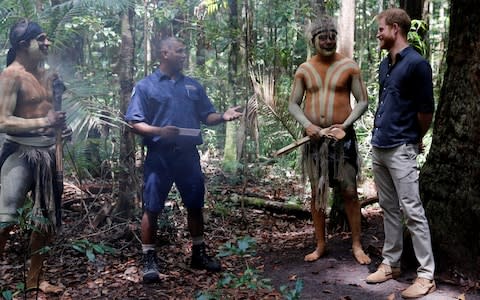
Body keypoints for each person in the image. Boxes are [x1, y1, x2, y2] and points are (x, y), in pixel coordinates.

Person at [125, 37, 242, 283]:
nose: (183, 54)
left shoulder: (193, 86)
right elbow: (134, 123)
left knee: (195, 204)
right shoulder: (146, 86)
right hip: (159, 157)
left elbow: (206, 115)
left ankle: (198, 254)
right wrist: (159, 132)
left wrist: (223, 116)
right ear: (164, 53)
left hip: (188, 156)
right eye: (179, 51)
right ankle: (149, 261)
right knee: (152, 207)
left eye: (184, 50)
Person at [288, 15, 371, 265]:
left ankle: (356, 244)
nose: (328, 41)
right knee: (317, 194)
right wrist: (308, 125)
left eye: (332, 36)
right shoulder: (304, 69)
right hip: (314, 140)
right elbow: (293, 103)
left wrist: (345, 125)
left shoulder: (349, 66)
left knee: (349, 192)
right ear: (313, 40)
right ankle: (321, 244)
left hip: (342, 138)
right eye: (323, 37)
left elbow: (363, 101)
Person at [365, 8, 436, 299]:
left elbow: (426, 111)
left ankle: (426, 275)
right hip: (379, 147)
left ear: (395, 29)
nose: (378, 34)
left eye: (381, 29)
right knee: (389, 209)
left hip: (402, 148)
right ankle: (391, 263)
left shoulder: (418, 64)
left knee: (413, 212)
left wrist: (415, 139)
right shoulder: (385, 65)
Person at [0, 19, 66, 291]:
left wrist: (62, 126)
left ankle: (34, 281)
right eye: (42, 38)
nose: (47, 42)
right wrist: (43, 124)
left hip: (48, 154)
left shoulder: (47, 75)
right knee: (5, 217)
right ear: (23, 45)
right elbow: (2, 122)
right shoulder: (11, 76)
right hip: (21, 154)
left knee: (44, 221)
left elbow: (51, 114)